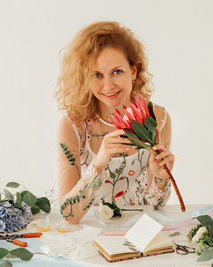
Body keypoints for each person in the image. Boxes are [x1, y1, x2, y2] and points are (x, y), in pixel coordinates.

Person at [54, 21, 174, 224]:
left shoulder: (157, 118)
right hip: (86, 236)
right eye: (97, 75)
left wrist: (161, 178)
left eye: (117, 72)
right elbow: (69, 215)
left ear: (134, 71)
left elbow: (155, 207)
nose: (108, 85)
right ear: (85, 77)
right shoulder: (73, 126)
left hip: (135, 230)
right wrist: (99, 162)